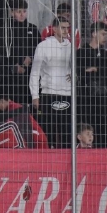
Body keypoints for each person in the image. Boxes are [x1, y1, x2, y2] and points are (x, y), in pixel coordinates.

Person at [30, 16, 75, 148]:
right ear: (54, 29)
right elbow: (35, 72)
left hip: (67, 94)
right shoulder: (43, 46)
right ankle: (47, 157)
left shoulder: (71, 47)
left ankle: (67, 158)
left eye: (67, 28)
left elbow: (77, 68)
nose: (66, 31)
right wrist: (35, 96)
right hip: (48, 93)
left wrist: (75, 75)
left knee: (67, 133)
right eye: (63, 27)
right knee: (48, 131)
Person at [76, 22, 107, 146]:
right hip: (85, 100)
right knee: (86, 132)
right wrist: (100, 72)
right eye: (103, 34)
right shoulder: (80, 53)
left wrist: (96, 69)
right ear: (94, 34)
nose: (106, 37)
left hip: (103, 101)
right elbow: (78, 72)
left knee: (103, 135)